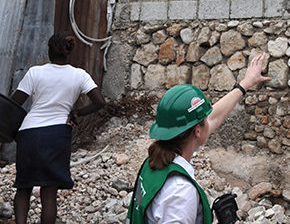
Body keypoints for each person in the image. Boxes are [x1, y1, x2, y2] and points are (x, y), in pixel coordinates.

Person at [128, 53, 271, 224]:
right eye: (204, 122)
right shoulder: (180, 192)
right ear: (197, 131)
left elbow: (211, 118)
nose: (209, 122)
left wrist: (245, 84)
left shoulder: (154, 163)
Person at [11, 32, 106, 224]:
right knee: (49, 193)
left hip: (29, 133)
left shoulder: (35, 72)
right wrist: (77, 112)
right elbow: (99, 102)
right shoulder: (80, 75)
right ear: (68, 52)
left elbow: (14, 103)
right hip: (57, 135)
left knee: (23, 187)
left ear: (49, 51)